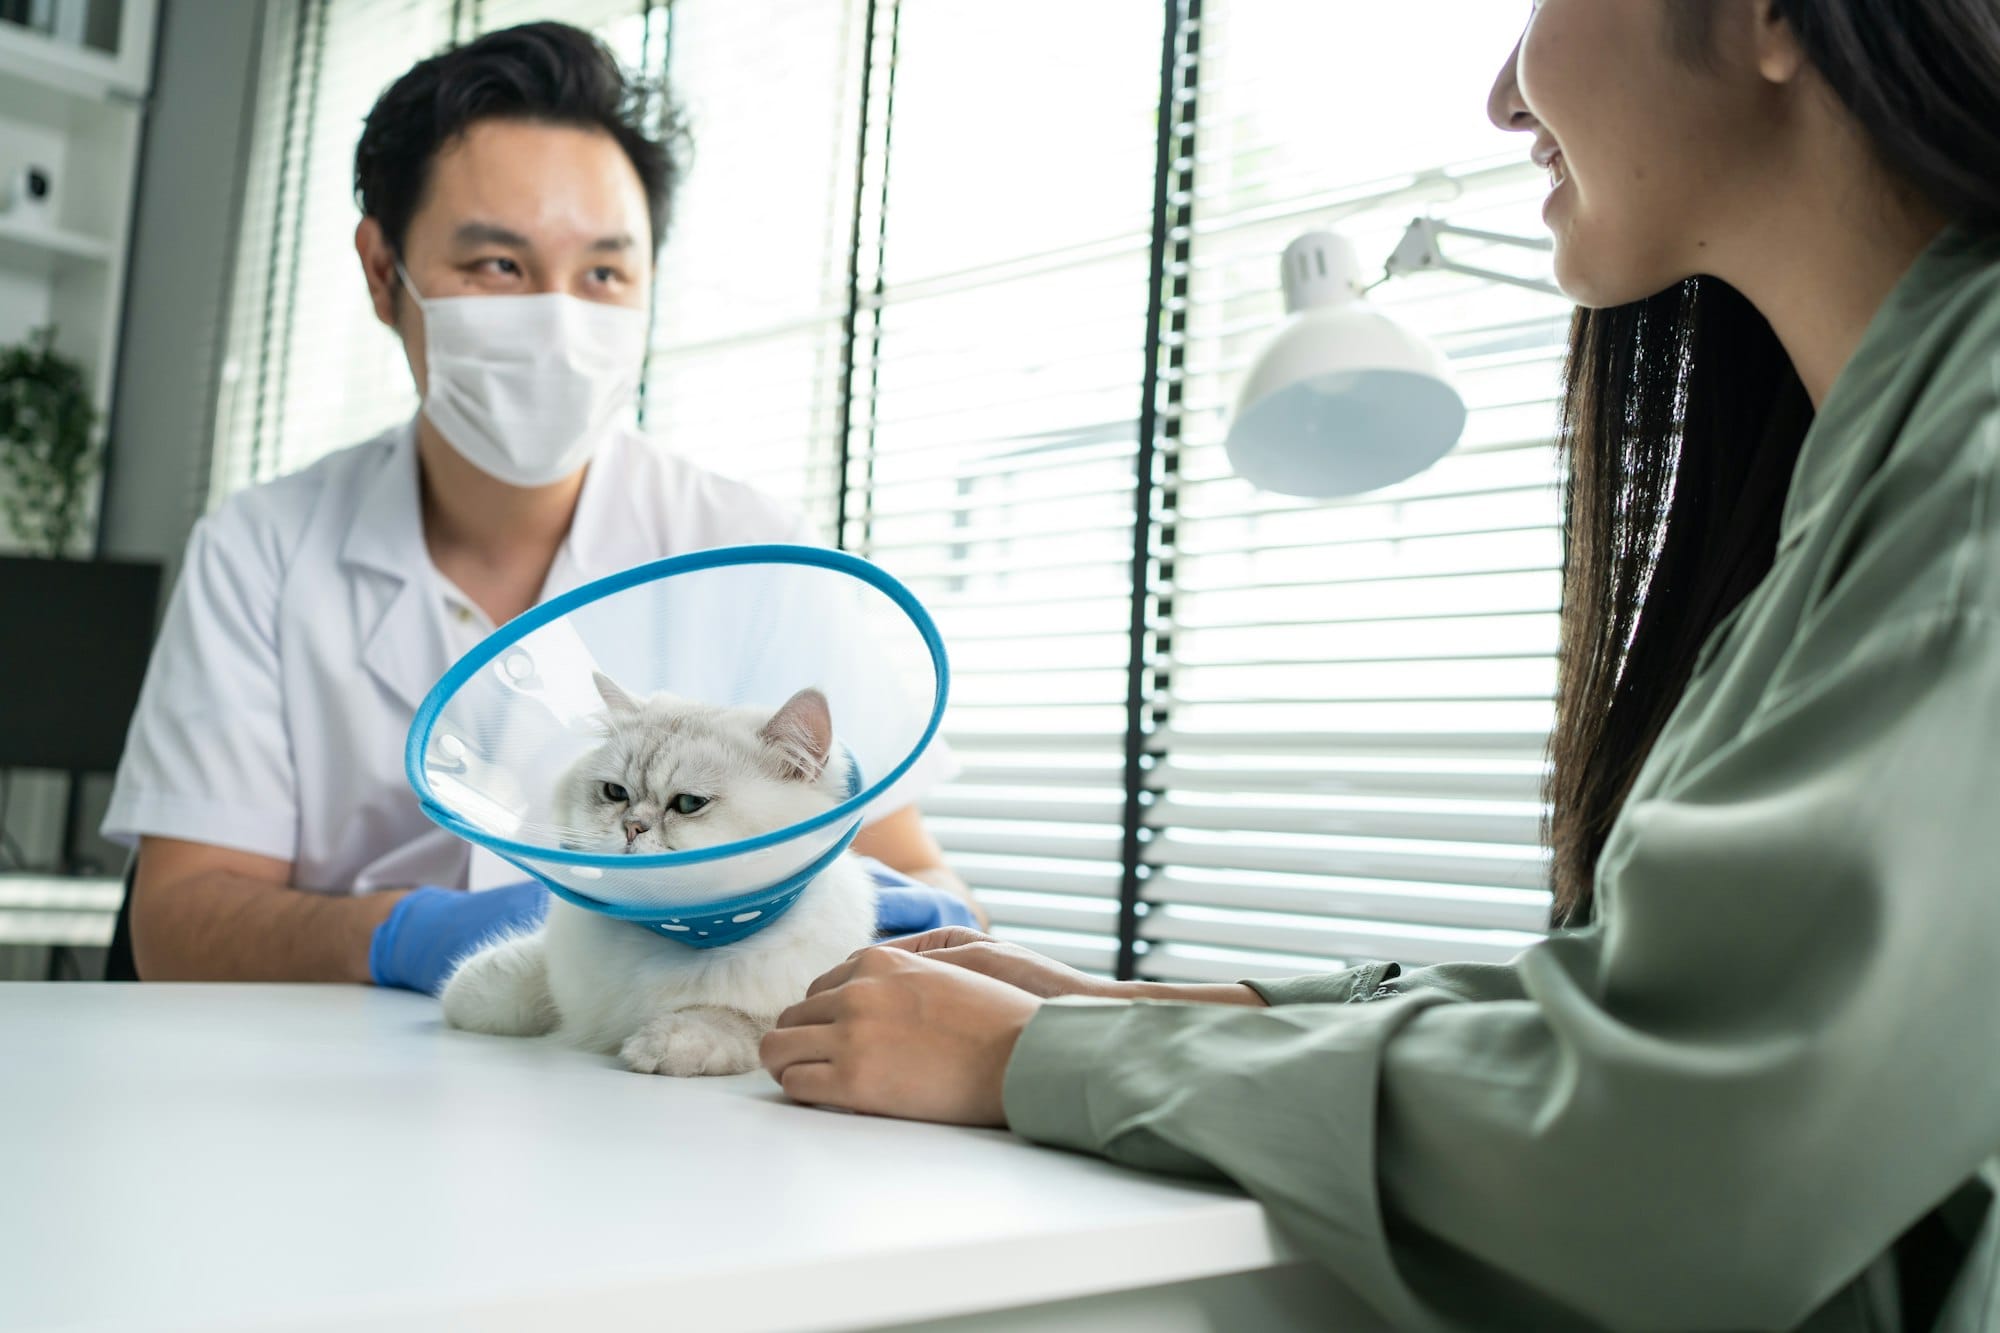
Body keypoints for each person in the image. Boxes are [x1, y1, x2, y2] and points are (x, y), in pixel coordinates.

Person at [759, 1, 2000, 1328]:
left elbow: (1695, 1159)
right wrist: (1169, 1009)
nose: (1503, 98)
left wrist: (1048, 1057)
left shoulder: (1967, 479)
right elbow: (1665, 1013)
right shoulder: (1884, 467)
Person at [105, 22, 980, 994]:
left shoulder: (753, 547)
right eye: (497, 266)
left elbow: (920, 877)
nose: (560, 320)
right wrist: (403, 933)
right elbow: (179, 925)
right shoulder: (260, 550)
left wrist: (877, 920)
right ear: (381, 269)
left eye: (604, 273)